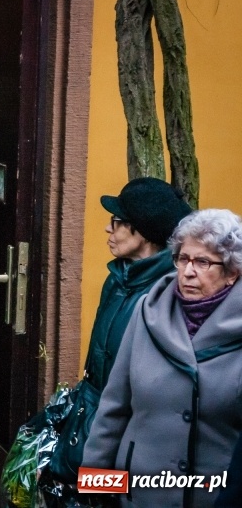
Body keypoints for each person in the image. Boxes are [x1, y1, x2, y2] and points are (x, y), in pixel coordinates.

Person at [82, 208, 242, 507]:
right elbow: (113, 408)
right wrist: (95, 490)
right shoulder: (148, 310)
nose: (188, 271)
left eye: (203, 262)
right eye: (183, 259)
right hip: (138, 495)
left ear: (232, 272)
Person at [84, 177, 192, 393]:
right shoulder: (116, 278)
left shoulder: (171, 292)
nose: (108, 228)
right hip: (96, 413)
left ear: (143, 230)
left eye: (116, 220)